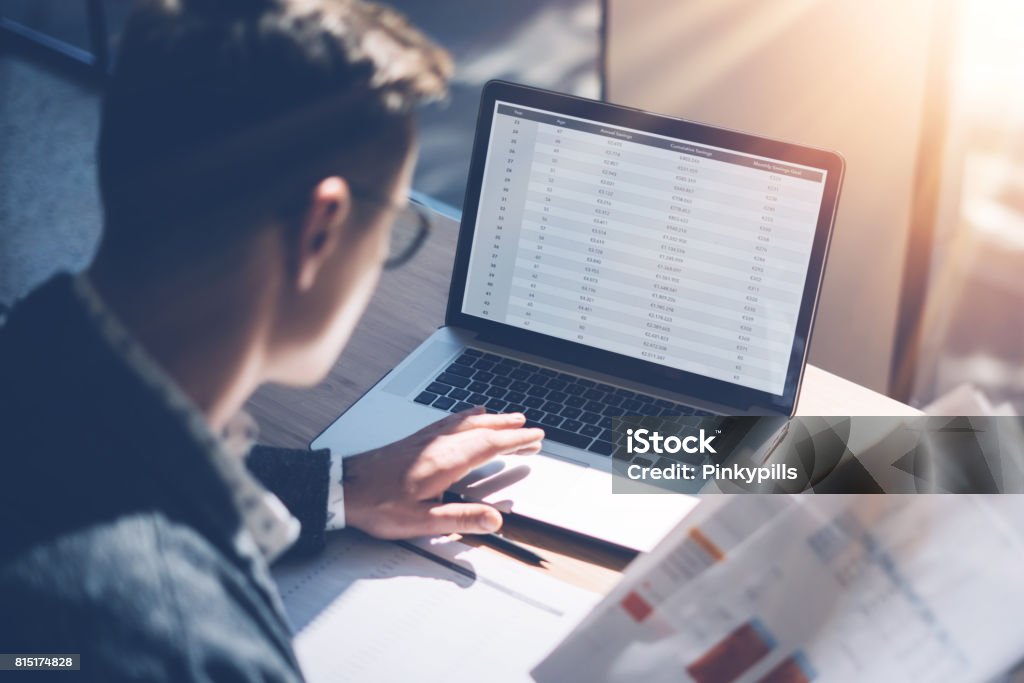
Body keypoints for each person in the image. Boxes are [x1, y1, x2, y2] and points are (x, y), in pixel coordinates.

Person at [0, 0, 544, 680]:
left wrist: (338, 488)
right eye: (394, 230)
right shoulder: (184, 646)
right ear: (321, 229)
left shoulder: (25, 353)